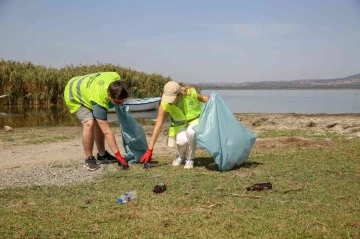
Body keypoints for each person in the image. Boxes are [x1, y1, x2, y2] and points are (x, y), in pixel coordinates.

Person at [64, 72, 129, 171]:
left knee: (99, 123)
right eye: (117, 102)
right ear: (109, 95)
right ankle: (89, 158)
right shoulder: (100, 100)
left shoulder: (116, 78)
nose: (119, 105)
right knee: (89, 123)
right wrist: (119, 156)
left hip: (88, 91)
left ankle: (102, 155)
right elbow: (107, 132)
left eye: (122, 102)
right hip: (73, 94)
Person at [140, 81, 209, 169]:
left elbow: (203, 98)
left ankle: (190, 159)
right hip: (179, 125)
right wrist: (150, 150)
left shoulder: (190, 93)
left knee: (191, 132)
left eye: (171, 98)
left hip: (195, 121)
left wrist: (214, 99)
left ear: (179, 95)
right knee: (181, 142)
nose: (169, 102)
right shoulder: (164, 103)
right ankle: (181, 156)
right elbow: (158, 126)